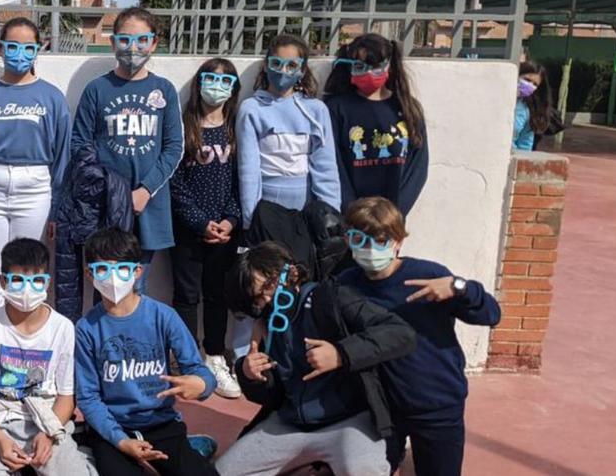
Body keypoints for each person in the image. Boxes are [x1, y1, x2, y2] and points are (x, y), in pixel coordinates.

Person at [215, 242, 416, 476]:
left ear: (291, 273)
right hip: (291, 424)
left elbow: (401, 334)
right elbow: (270, 396)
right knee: (223, 472)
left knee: (361, 469)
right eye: (258, 298)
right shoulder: (267, 326)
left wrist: (342, 354)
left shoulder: (330, 298)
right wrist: (248, 373)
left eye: (269, 285)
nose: (269, 299)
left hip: (350, 420)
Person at [337, 197, 502, 475]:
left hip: (437, 406)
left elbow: (491, 315)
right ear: (348, 240)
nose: (369, 249)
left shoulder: (430, 276)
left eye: (380, 240)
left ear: (398, 242)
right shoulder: (344, 285)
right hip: (381, 411)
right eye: (359, 239)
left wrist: (459, 288)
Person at [74, 227, 219, 476]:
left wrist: (201, 384)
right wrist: (120, 440)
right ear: (89, 274)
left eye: (121, 269)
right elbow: (88, 398)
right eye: (102, 269)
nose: (113, 278)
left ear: (137, 271)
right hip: (113, 431)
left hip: (162, 423)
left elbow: (199, 371)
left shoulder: (163, 316)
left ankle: (191, 446)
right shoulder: (86, 328)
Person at [233, 33, 342, 359]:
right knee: (257, 282)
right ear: (267, 65)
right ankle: (245, 353)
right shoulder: (252, 108)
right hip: (267, 208)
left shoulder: (315, 110)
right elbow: (249, 168)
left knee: (296, 280)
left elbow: (324, 166)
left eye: (292, 64)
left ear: (303, 68)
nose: (284, 70)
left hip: (303, 212)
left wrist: (329, 214)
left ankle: (293, 350)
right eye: (277, 63)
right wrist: (252, 217)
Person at [70, 7, 183, 297]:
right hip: (106, 206)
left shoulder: (164, 90)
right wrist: (109, 190)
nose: (133, 48)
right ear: (112, 42)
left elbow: (173, 148)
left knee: (136, 285)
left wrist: (145, 190)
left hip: (149, 206)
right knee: (105, 283)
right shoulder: (97, 89)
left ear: (154, 43)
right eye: (124, 40)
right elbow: (81, 146)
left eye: (141, 40)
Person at [0, 17, 72, 314]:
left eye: (27, 47)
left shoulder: (52, 97)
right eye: (12, 46)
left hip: (35, 187)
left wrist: (57, 207)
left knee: (28, 270)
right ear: (0, 49)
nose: (19, 53)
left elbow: (63, 155)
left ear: (39, 49)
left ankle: (24, 343)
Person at [0, 238, 95, 476]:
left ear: (48, 282)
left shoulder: (62, 327)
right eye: (17, 280)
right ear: (2, 281)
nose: (28, 289)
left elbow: (66, 397)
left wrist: (48, 434)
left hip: (47, 421)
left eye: (37, 281)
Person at [169, 57, 243, 400]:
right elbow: (175, 181)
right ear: (199, 83)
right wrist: (199, 222)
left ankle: (215, 356)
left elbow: (241, 182)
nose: (217, 85)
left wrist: (229, 220)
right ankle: (188, 361)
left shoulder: (236, 128)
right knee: (187, 295)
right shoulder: (184, 126)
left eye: (225, 80)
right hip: (188, 229)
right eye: (210, 78)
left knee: (218, 295)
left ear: (234, 89)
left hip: (226, 231)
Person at [325, 33, 429, 216]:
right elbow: (333, 164)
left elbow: (417, 168)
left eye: (374, 65)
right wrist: (352, 210)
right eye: (360, 66)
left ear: (389, 65)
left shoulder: (407, 108)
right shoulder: (336, 108)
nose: (367, 72)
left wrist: (394, 214)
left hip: (391, 220)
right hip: (350, 219)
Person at [514, 61, 551, 151]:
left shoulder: (526, 111)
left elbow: (525, 144)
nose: (530, 85)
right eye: (527, 80)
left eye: (535, 84)